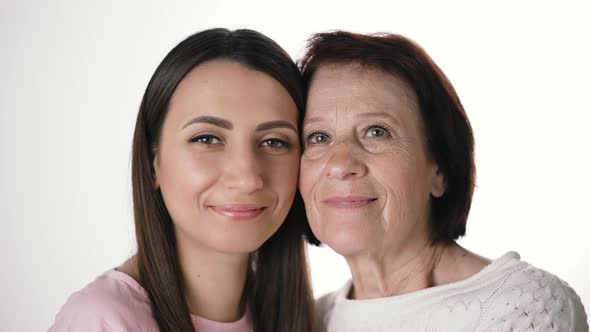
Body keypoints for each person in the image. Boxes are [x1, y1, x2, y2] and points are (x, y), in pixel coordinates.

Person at [298, 31, 588, 332]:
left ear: (439, 170)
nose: (341, 164)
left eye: (376, 132)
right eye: (318, 137)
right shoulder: (311, 320)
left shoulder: (524, 309)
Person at [49, 28, 317, 332]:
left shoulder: (306, 318)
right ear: (153, 163)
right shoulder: (101, 321)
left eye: (273, 142)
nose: (246, 177)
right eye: (207, 138)